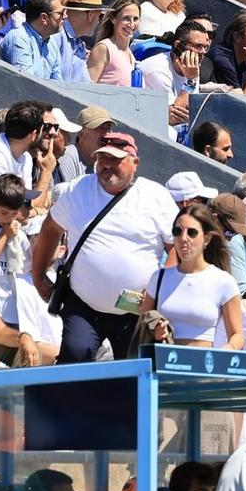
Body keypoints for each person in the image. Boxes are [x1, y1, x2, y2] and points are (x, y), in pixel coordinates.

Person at [32, 129, 176, 363]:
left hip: (136, 312)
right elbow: (50, 229)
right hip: (83, 304)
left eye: (115, 160)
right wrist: (38, 275)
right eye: (102, 158)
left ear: (135, 163)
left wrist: (156, 291)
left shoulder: (156, 196)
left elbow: (177, 250)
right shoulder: (77, 189)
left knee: (134, 374)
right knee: (75, 359)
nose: (107, 165)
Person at [140, 200, 244, 349]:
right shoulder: (159, 278)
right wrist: (155, 332)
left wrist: (226, 350)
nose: (183, 238)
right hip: (163, 365)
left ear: (206, 238)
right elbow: (143, 327)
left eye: (192, 232)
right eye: (177, 231)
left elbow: (237, 335)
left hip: (202, 367)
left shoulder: (224, 281)